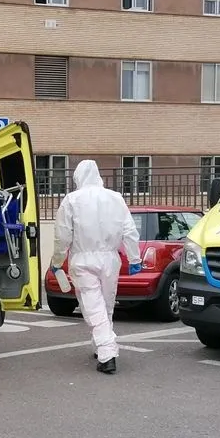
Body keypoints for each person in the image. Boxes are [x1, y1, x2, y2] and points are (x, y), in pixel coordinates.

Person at [50, 160, 141, 375]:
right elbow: (129, 230)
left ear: (78, 177)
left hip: (82, 260)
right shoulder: (116, 198)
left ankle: (107, 353)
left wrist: (56, 262)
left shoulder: (72, 200)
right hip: (110, 259)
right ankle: (100, 346)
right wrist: (135, 259)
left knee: (93, 306)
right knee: (106, 305)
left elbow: (62, 235)